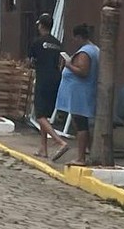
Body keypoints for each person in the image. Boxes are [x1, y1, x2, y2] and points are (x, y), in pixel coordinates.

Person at [52, 23, 99, 165]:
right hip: (81, 93)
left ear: (79, 37)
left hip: (80, 94)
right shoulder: (94, 49)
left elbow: (83, 72)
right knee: (79, 123)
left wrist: (68, 65)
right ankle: (90, 152)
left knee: (81, 125)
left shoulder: (86, 52)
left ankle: (81, 158)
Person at [27, 13, 67, 158]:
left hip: (43, 78)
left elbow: (30, 61)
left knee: (39, 116)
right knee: (45, 115)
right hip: (56, 79)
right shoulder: (57, 43)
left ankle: (59, 142)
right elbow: (61, 62)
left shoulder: (37, 42)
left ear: (41, 26)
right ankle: (43, 148)